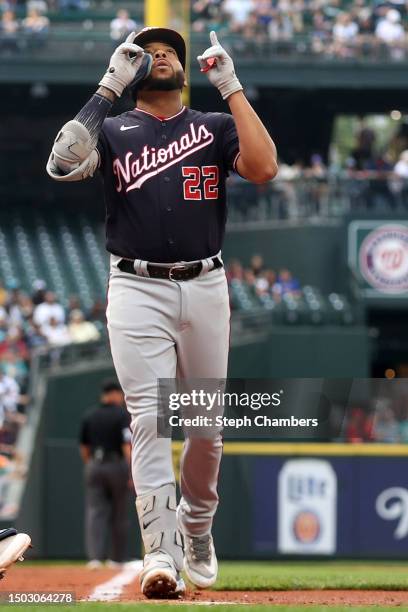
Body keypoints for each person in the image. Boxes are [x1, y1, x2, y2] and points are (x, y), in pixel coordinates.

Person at [47, 26, 277, 598]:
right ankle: (161, 555)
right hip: (135, 284)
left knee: (206, 427)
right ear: (132, 70)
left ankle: (196, 528)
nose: (160, 55)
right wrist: (106, 89)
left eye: (168, 50)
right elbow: (61, 162)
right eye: (146, 52)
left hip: (205, 282)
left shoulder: (214, 126)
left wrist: (230, 83)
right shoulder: (116, 129)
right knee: (149, 421)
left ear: (185, 68)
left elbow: (265, 167)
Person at [79, 380, 131, 569]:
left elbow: (83, 447)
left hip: (94, 465)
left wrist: (91, 465)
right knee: (119, 514)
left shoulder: (90, 415)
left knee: (95, 513)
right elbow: (127, 445)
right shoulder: (123, 415)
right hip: (116, 465)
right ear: (116, 394)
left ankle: (94, 558)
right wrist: (131, 471)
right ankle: (115, 560)